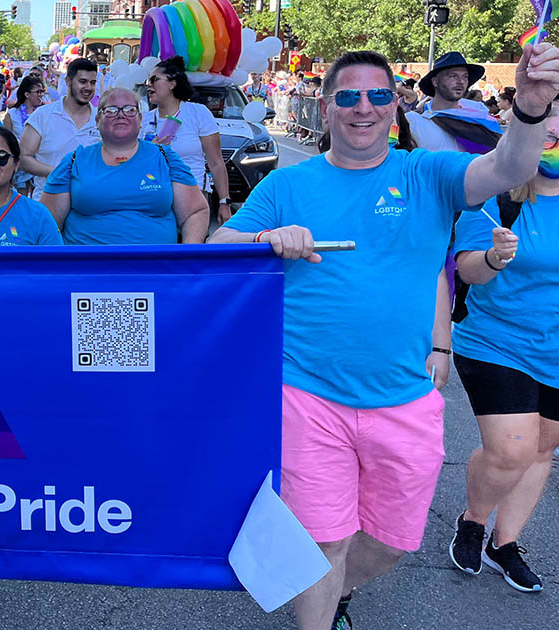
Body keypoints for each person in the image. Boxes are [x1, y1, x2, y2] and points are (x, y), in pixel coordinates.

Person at [208, 47, 559, 630]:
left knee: (392, 542)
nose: (362, 107)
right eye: (347, 96)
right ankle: (317, 607)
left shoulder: (426, 172)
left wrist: (527, 107)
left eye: (377, 95)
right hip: (305, 393)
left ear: (395, 104)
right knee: (326, 541)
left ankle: (322, 591)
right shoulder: (288, 185)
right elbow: (216, 251)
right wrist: (267, 237)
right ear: (325, 108)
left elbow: (506, 169)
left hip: (404, 396)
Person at [448, 111, 559, 593]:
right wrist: (494, 256)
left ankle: (504, 542)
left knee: (541, 447)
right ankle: (473, 520)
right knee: (512, 449)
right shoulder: (493, 195)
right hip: (495, 340)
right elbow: (468, 270)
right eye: (549, 134)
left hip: (554, 346)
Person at [41, 87, 207, 245]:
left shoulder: (165, 158)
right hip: (87, 269)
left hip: (156, 268)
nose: (121, 115)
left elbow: (195, 212)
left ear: (140, 120)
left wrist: (188, 257)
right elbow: (46, 222)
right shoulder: (74, 161)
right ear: (97, 121)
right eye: (111, 110)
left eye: (130, 109)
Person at [142, 57, 234, 223]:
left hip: (193, 195)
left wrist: (224, 202)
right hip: (155, 197)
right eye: (147, 80)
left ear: (172, 84)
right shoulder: (143, 120)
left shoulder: (198, 112)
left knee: (192, 248)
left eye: (154, 79)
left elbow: (216, 162)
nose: (148, 84)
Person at [19, 58, 101, 201]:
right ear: (68, 81)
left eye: (92, 83)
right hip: (47, 202)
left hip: (87, 204)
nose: (88, 87)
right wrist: (59, 173)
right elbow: (24, 158)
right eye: (82, 81)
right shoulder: (42, 115)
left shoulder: (101, 120)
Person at [409, 52, 501, 153]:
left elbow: (499, 154)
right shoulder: (414, 120)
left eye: (465, 76)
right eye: (453, 76)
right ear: (435, 81)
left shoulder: (480, 114)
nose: (461, 81)